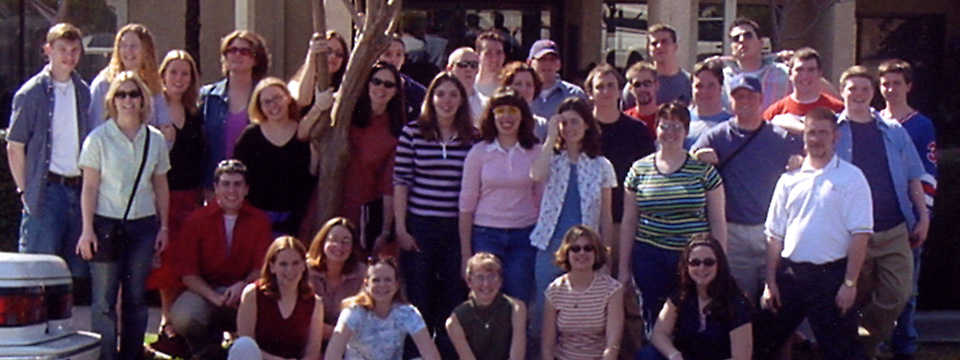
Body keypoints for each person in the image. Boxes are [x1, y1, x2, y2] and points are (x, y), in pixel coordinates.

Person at [754, 107, 872, 360]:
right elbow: (774, 235)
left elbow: (860, 235)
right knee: (763, 344)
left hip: (833, 278)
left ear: (835, 137)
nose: (816, 139)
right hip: (791, 276)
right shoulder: (788, 180)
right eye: (811, 133)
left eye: (822, 132)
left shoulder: (852, 178)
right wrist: (770, 282)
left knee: (841, 351)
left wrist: (849, 284)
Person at [75, 71, 171, 360]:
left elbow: (161, 185)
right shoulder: (98, 138)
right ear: (112, 100)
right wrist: (87, 228)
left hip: (142, 226)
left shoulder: (154, 140)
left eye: (134, 94)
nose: (128, 100)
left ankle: (131, 355)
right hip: (105, 224)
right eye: (121, 94)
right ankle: (105, 355)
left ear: (143, 100)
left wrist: (164, 227)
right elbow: (89, 186)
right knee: (103, 300)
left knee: (135, 298)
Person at [834, 66, 928, 360]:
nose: (859, 95)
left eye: (864, 89)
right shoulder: (833, 131)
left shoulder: (894, 131)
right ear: (842, 92)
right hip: (850, 233)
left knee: (897, 295)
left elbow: (914, 176)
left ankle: (861, 344)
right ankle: (857, 351)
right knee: (852, 297)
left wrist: (923, 216)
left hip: (894, 229)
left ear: (872, 93)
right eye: (852, 89)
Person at [691, 74, 803, 303]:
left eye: (750, 96)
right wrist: (698, 157)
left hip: (770, 230)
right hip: (733, 232)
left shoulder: (779, 136)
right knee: (739, 299)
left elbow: (811, 154)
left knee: (777, 298)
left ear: (761, 99)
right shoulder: (718, 135)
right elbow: (690, 160)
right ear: (730, 101)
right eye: (738, 96)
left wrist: (799, 159)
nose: (744, 101)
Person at [617, 102, 727, 333]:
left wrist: (720, 262)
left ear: (686, 131)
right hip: (650, 257)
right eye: (664, 126)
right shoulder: (639, 170)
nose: (670, 133)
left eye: (676, 126)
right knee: (654, 323)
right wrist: (624, 268)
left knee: (691, 321)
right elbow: (629, 221)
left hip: (692, 261)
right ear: (656, 129)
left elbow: (717, 220)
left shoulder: (703, 171)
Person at [393, 72, 477, 358]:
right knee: (419, 293)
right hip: (420, 226)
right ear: (431, 98)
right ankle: (416, 354)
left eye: (454, 94)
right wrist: (401, 228)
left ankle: (446, 353)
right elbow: (401, 181)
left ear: (462, 101)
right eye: (441, 94)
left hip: (456, 227)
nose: (447, 100)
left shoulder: (472, 137)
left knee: (452, 293)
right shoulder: (413, 132)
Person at [7, 23, 94, 279]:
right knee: (37, 271)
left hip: (77, 192)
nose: (69, 56)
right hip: (46, 193)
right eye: (62, 49)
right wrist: (26, 191)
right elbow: (15, 146)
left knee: (71, 275)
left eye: (74, 50)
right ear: (48, 50)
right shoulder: (31, 93)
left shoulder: (83, 92)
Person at [528, 97, 616, 351]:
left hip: (585, 251)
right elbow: (536, 175)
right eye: (564, 123)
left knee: (582, 314)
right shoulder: (552, 159)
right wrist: (551, 136)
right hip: (550, 245)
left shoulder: (601, 165)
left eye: (575, 122)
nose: (569, 128)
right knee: (544, 314)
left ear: (587, 124)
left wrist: (605, 256)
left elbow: (606, 216)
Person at [167, 159, 273, 357]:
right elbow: (187, 273)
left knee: (267, 312)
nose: (231, 191)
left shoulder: (260, 221)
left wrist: (242, 285)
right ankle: (205, 351)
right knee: (183, 315)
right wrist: (212, 296)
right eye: (225, 184)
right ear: (215, 188)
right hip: (206, 292)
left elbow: (262, 268)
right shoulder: (196, 220)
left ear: (247, 189)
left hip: (244, 292)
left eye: (237, 184)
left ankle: (246, 352)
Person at [459, 88, 543, 304]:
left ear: (523, 115)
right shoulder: (479, 152)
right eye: (501, 111)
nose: (507, 117)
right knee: (486, 300)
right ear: (492, 116)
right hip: (486, 235)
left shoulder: (536, 151)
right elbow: (466, 205)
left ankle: (518, 339)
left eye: (513, 110)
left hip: (523, 236)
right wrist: (465, 254)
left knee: (518, 300)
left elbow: (543, 199)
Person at [877, 59, 937, 360]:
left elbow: (927, 174)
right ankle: (874, 343)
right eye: (885, 83)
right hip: (877, 220)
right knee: (874, 288)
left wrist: (922, 218)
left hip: (908, 218)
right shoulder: (873, 121)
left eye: (896, 83)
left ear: (909, 86)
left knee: (906, 290)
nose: (890, 89)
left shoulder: (921, 125)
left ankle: (904, 347)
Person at [149, 49, 206, 336]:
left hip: (190, 197)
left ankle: (184, 322)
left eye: (185, 73)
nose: (179, 78)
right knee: (166, 261)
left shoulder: (196, 112)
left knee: (188, 259)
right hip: (163, 196)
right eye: (173, 72)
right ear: (162, 75)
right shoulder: (152, 109)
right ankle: (167, 320)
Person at [638, 237, 752, 360]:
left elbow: (741, 357)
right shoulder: (681, 295)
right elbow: (658, 334)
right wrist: (674, 355)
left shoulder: (735, 302)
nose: (702, 268)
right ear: (687, 266)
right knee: (647, 355)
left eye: (709, 262)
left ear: (720, 264)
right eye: (695, 262)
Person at [233, 77, 319, 236]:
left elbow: (309, 179)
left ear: (288, 98)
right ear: (259, 107)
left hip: (295, 221)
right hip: (256, 221)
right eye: (266, 102)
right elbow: (238, 176)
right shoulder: (250, 137)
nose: (273, 105)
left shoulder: (303, 135)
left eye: (277, 98)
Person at [341, 61, 406, 251]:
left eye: (388, 85)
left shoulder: (394, 132)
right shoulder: (346, 116)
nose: (381, 88)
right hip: (329, 198)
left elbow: (389, 186)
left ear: (396, 91)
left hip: (363, 210)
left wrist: (385, 231)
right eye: (376, 82)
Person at [324, 257, 442, 360]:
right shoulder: (353, 312)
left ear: (396, 284)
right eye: (376, 280)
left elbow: (430, 354)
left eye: (388, 280)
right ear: (366, 284)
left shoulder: (408, 313)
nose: (382, 285)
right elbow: (332, 354)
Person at [230, 236, 324, 360]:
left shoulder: (314, 303)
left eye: (295, 263)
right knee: (243, 345)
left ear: (303, 266)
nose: (289, 270)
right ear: (272, 267)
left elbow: (312, 353)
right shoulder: (253, 294)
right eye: (283, 264)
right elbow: (246, 342)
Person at [200, 30, 271, 189]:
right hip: (216, 186)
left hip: (255, 186)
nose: (237, 55)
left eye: (244, 51)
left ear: (256, 59)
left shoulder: (266, 97)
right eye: (232, 50)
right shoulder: (208, 97)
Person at [542, 225, 624, 360]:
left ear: (596, 253)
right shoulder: (554, 291)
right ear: (566, 253)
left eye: (588, 248)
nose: (582, 253)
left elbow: (614, 343)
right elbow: (548, 345)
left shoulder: (612, 290)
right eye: (575, 249)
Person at [88, 23, 173, 139]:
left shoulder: (153, 86)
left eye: (134, 46)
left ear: (146, 50)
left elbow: (166, 133)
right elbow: (95, 130)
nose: (128, 51)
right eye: (123, 45)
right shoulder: (103, 85)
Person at [446, 252, 527, 360]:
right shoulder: (456, 320)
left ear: (500, 281)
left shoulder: (516, 309)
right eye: (480, 277)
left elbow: (517, 357)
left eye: (492, 276)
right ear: (469, 282)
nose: (486, 284)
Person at [307, 217, 367, 341]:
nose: (339, 246)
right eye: (333, 240)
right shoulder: (305, 272)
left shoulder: (362, 273)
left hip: (349, 345)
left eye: (345, 242)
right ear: (322, 242)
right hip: (310, 341)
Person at [762, 47, 844, 134]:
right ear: (790, 74)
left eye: (811, 70)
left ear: (820, 74)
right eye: (799, 70)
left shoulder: (837, 109)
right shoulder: (775, 112)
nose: (805, 76)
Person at [721, 18, 791, 110]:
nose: (741, 40)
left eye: (748, 35)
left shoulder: (785, 73)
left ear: (761, 43)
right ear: (731, 47)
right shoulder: (721, 78)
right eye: (736, 38)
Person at [621, 24, 692, 110]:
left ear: (675, 46)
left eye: (664, 42)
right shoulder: (638, 84)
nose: (659, 46)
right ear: (649, 49)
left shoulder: (689, 83)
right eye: (654, 43)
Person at [527, 39, 588, 119]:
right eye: (542, 59)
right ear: (529, 63)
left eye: (552, 60)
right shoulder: (521, 92)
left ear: (559, 64)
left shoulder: (574, 94)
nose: (547, 64)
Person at [380, 33, 427, 123]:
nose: (393, 60)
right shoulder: (364, 86)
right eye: (387, 54)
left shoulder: (415, 90)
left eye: (399, 55)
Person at [686, 59, 732, 148]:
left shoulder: (731, 125)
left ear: (721, 88)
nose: (704, 91)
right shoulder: (682, 120)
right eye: (699, 86)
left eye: (711, 86)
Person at [499, 61, 549, 140]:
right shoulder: (498, 122)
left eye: (529, 85)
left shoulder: (542, 126)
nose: (523, 89)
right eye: (518, 84)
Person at [446, 47, 487, 121]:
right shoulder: (441, 102)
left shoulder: (486, 105)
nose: (469, 69)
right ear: (449, 69)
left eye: (474, 65)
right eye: (463, 64)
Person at [624, 62, 660, 137]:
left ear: (656, 85)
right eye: (637, 85)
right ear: (630, 89)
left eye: (647, 83)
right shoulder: (624, 119)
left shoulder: (666, 117)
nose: (642, 89)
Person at [474, 31, 508, 97]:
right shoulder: (469, 86)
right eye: (488, 53)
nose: (494, 59)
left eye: (499, 53)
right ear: (477, 56)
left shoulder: (508, 87)